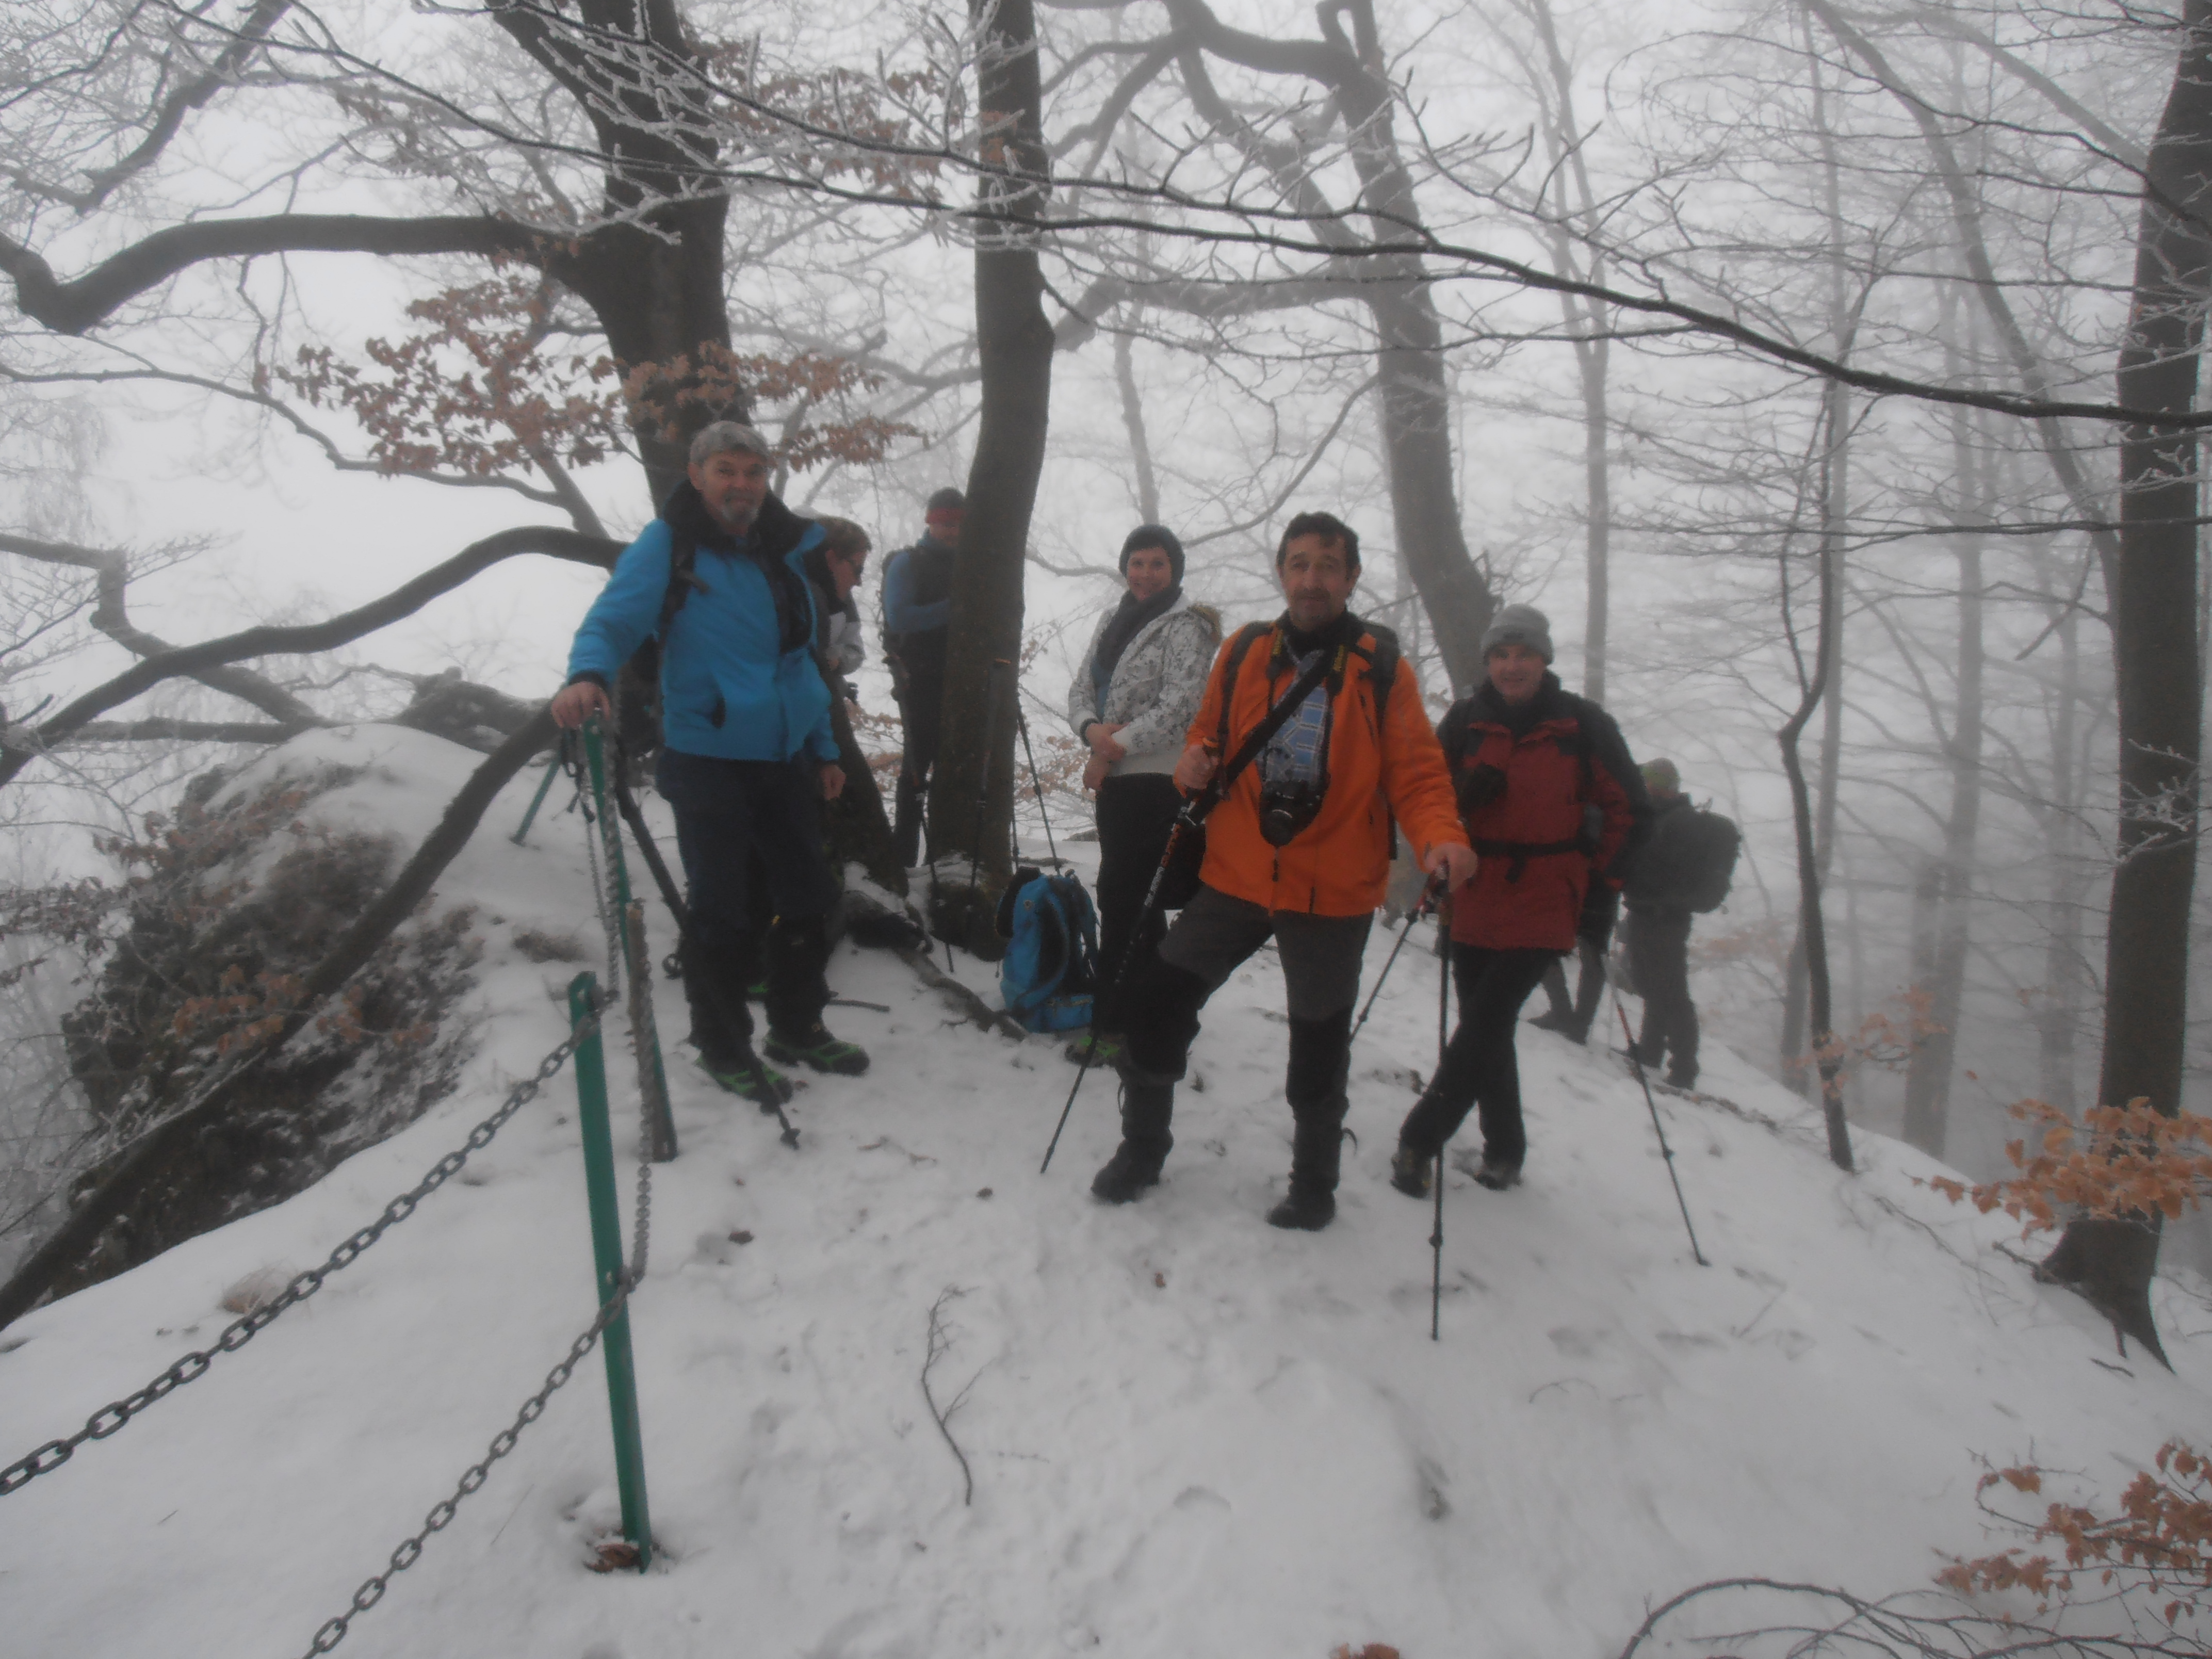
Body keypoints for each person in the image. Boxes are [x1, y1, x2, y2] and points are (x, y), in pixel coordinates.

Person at [1096, 512, 1477, 1231]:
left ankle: (1314, 1185)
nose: (1312, 579)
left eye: (1327, 566)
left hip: (1332, 890)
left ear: (1351, 577)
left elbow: (1419, 774)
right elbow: (1207, 735)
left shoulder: (1381, 668)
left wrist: (1442, 841)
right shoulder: (1243, 651)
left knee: (1318, 1044)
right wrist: (1193, 764)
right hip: (1237, 875)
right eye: (1299, 564)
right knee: (1156, 1005)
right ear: (1282, 573)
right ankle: (1142, 1151)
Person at [551, 421, 869, 1103]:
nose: (741, 485)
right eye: (726, 471)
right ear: (697, 476)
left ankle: (795, 1025)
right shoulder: (671, 543)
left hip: (783, 757)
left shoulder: (786, 551)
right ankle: (722, 1047)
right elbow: (616, 617)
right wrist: (587, 674)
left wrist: (823, 749)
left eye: (753, 473)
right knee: (723, 910)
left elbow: (801, 658)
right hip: (707, 753)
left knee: (809, 895)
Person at [1390, 605, 1644, 1196]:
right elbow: (1421, 795)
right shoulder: (1464, 721)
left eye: (1524, 654)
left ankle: (1419, 1137)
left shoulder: (1582, 724)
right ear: (1487, 662)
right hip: (1473, 893)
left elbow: (1630, 810)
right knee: (1489, 1029)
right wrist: (1456, 809)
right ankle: (1505, 1149)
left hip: (1547, 896)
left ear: (1544, 659)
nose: (1511, 666)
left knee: (1484, 1022)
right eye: (1501, 655)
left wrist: (1603, 889)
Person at [1064, 525, 1221, 1067]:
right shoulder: (1114, 621)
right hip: (1115, 783)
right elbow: (1081, 688)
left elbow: (1183, 706)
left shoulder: (1188, 627)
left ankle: (1113, 1025)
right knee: (1137, 907)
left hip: (1157, 780)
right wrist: (1090, 732)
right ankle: (1149, 1017)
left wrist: (1111, 747)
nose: (1145, 573)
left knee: (1124, 899)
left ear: (1173, 570)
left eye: (1156, 564)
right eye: (1137, 563)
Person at [881, 487, 963, 867]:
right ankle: (903, 856)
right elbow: (900, 617)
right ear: (931, 522)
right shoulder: (908, 563)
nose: (952, 531)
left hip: (963, 680)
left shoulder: (974, 563)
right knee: (917, 767)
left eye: (958, 524)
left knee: (957, 769)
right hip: (920, 680)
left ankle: (945, 857)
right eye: (945, 524)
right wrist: (956, 609)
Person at [1622, 758, 1704, 1090]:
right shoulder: (1660, 815)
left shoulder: (1679, 820)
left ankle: (1685, 1066)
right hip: (1646, 909)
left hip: (1666, 915)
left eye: (1648, 782)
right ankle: (1651, 1050)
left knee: (1671, 988)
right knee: (1650, 982)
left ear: (1661, 785)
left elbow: (1662, 863)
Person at [807, 517, 870, 703]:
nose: (859, 582)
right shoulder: (787, 600)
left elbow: (856, 651)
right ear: (832, 559)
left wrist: (837, 660)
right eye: (857, 570)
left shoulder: (842, 601)